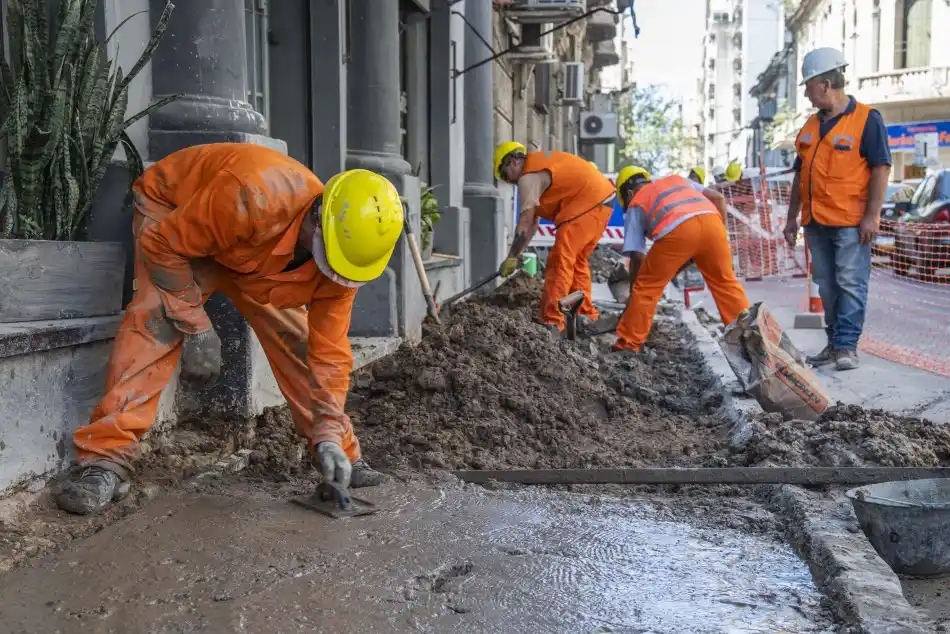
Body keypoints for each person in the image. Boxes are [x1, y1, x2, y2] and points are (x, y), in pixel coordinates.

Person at [56, 143, 404, 515]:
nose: (332, 278)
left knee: (299, 342)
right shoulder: (252, 195)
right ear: (317, 219)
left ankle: (340, 454)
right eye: (330, 263)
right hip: (175, 219)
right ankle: (104, 459)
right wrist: (197, 326)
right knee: (155, 317)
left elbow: (329, 353)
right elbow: (162, 245)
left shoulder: (344, 258)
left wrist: (330, 433)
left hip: (249, 253)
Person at [782, 47, 891, 371]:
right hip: (816, 222)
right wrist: (792, 219)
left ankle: (846, 346)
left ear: (825, 84)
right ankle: (834, 343)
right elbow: (800, 176)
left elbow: (881, 169)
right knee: (827, 286)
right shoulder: (809, 127)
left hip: (850, 222)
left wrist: (872, 215)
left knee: (851, 283)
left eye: (808, 86)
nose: (806, 93)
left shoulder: (867, 120)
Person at [613, 166, 750, 352]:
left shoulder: (636, 203)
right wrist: (719, 237)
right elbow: (718, 198)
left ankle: (628, 345)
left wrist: (633, 296)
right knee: (725, 284)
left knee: (646, 289)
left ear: (628, 193)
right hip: (713, 226)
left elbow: (637, 255)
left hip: (678, 232)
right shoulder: (678, 180)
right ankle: (749, 339)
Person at [494, 142, 615, 331]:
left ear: (513, 161)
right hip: (601, 202)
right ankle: (584, 316)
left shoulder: (528, 176)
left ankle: (552, 321)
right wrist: (516, 255)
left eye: (504, 174)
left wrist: (511, 257)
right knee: (577, 263)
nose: (508, 182)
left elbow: (525, 224)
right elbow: (533, 224)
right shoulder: (540, 170)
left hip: (585, 203)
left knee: (560, 261)